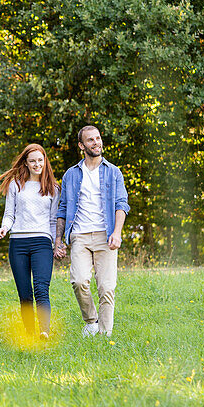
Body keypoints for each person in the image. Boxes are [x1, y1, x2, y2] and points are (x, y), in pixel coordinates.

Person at [54, 125, 130, 337]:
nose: (96, 143)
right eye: (90, 140)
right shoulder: (71, 174)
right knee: (79, 281)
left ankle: (106, 336)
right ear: (81, 145)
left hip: (106, 236)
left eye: (98, 139)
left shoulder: (114, 172)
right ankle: (91, 321)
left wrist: (117, 232)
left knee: (106, 288)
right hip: (79, 235)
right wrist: (58, 241)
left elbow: (121, 204)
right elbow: (63, 208)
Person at [0, 143, 60, 339]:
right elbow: (9, 214)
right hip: (18, 243)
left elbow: (53, 220)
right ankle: (30, 334)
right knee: (24, 293)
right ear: (26, 163)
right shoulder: (16, 185)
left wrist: (57, 245)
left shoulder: (53, 188)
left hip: (42, 243)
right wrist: (4, 228)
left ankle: (44, 332)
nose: (37, 164)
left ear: (45, 161)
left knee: (41, 288)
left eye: (40, 160)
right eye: (32, 161)